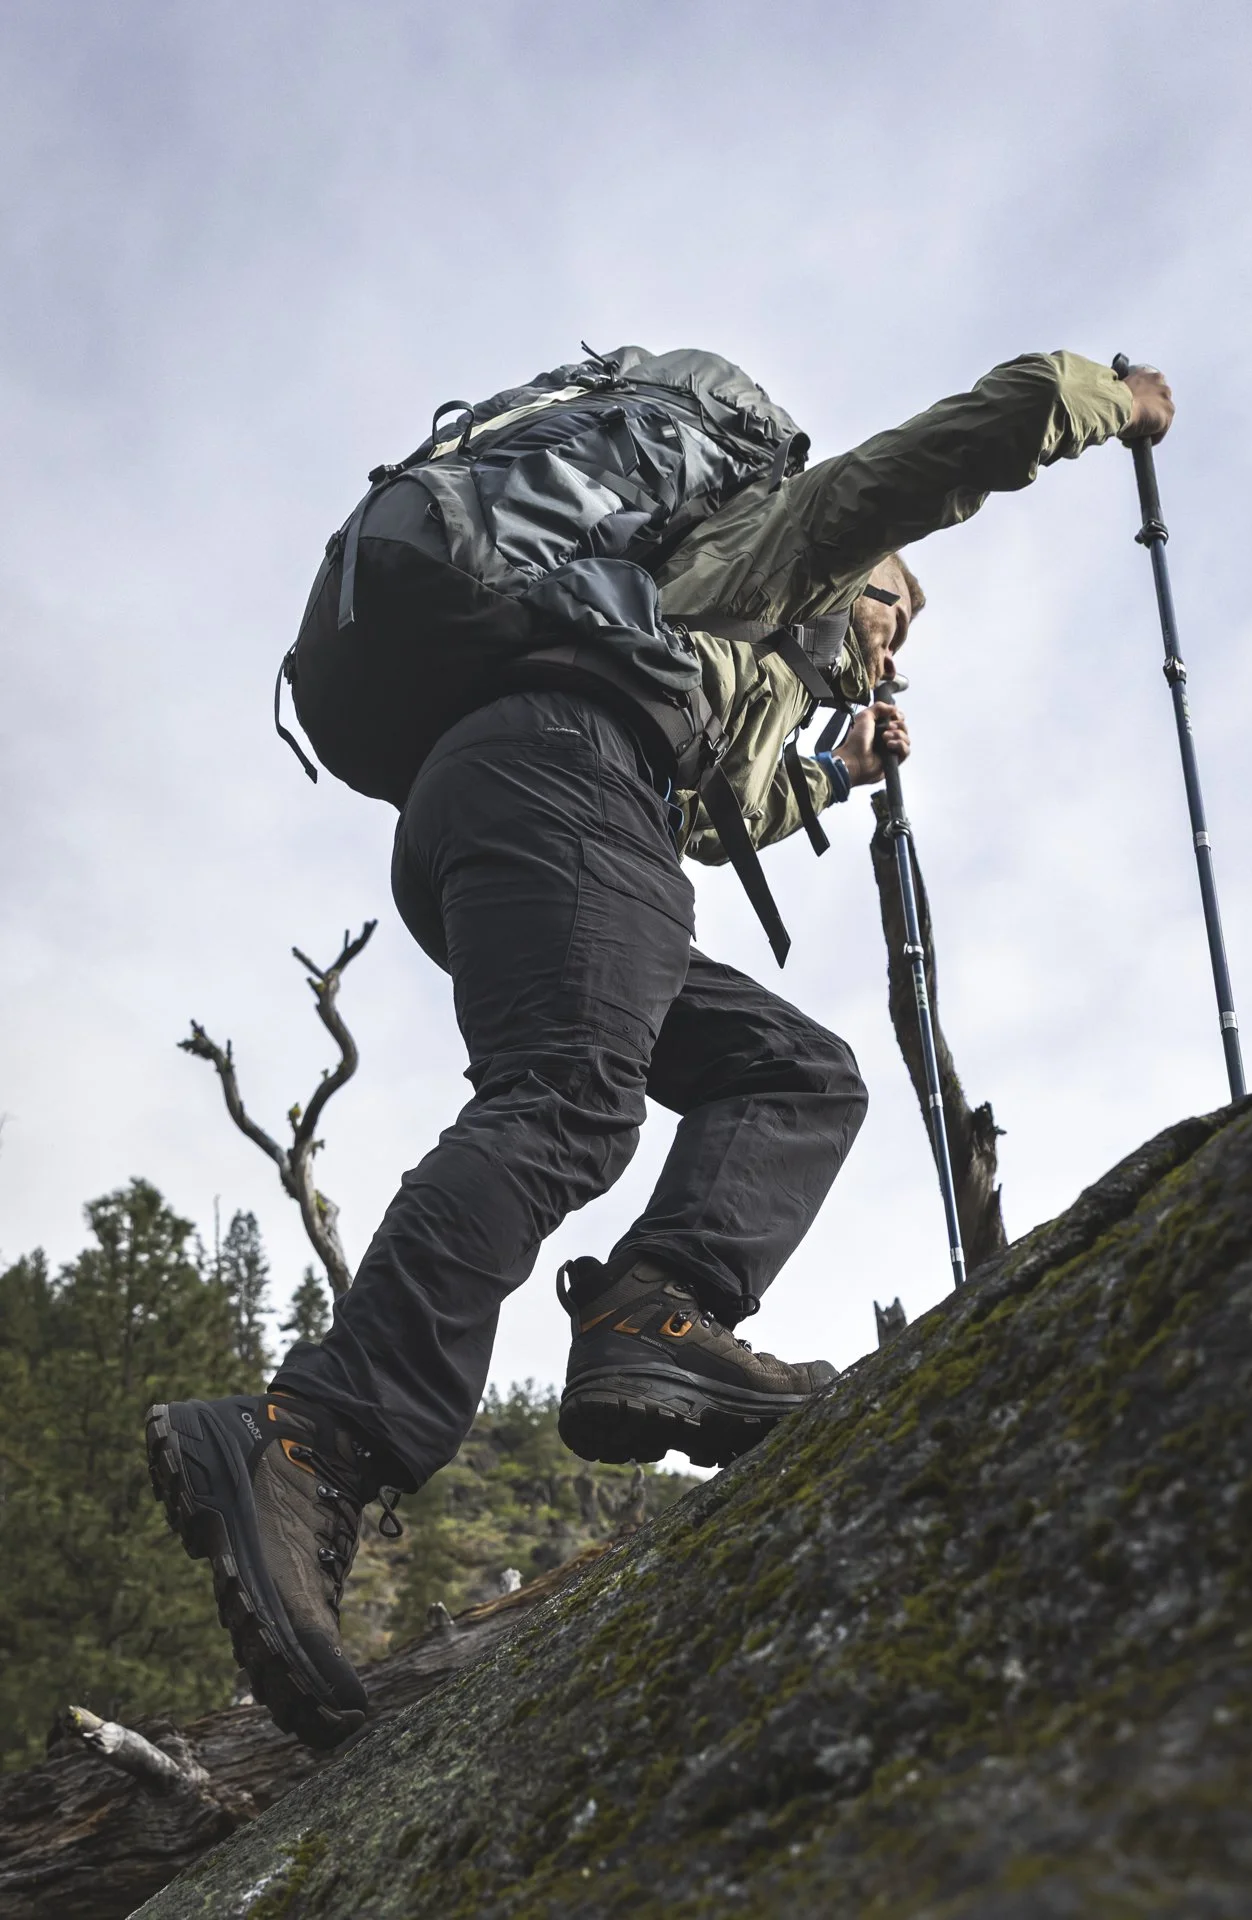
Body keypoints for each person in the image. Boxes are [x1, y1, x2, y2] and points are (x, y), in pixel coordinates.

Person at [147, 351, 1174, 1747]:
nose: (891, 637)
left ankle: (653, 1320)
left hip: (535, 797)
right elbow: (948, 452)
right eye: (891, 608)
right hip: (556, 774)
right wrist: (1108, 401)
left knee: (795, 1072)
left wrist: (834, 773)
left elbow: (699, 801)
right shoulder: (779, 539)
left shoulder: (701, 644)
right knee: (568, 1100)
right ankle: (313, 1437)